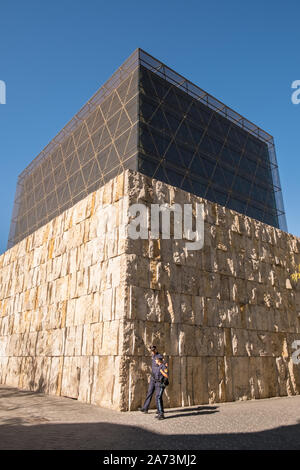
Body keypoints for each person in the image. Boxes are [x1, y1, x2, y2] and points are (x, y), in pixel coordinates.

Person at [138, 345, 161, 413]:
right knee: (149, 393)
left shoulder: (159, 356)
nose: (152, 351)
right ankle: (145, 408)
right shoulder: (153, 356)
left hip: (158, 379)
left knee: (157, 395)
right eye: (152, 350)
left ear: (156, 350)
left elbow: (162, 366)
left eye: (153, 350)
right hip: (153, 378)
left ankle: (159, 410)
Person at [154, 354, 169, 420]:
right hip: (157, 383)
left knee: (159, 397)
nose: (155, 360)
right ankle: (160, 412)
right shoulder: (159, 366)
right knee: (157, 397)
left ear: (159, 360)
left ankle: (161, 414)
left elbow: (166, 375)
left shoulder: (163, 367)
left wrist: (162, 372)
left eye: (156, 359)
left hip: (161, 384)